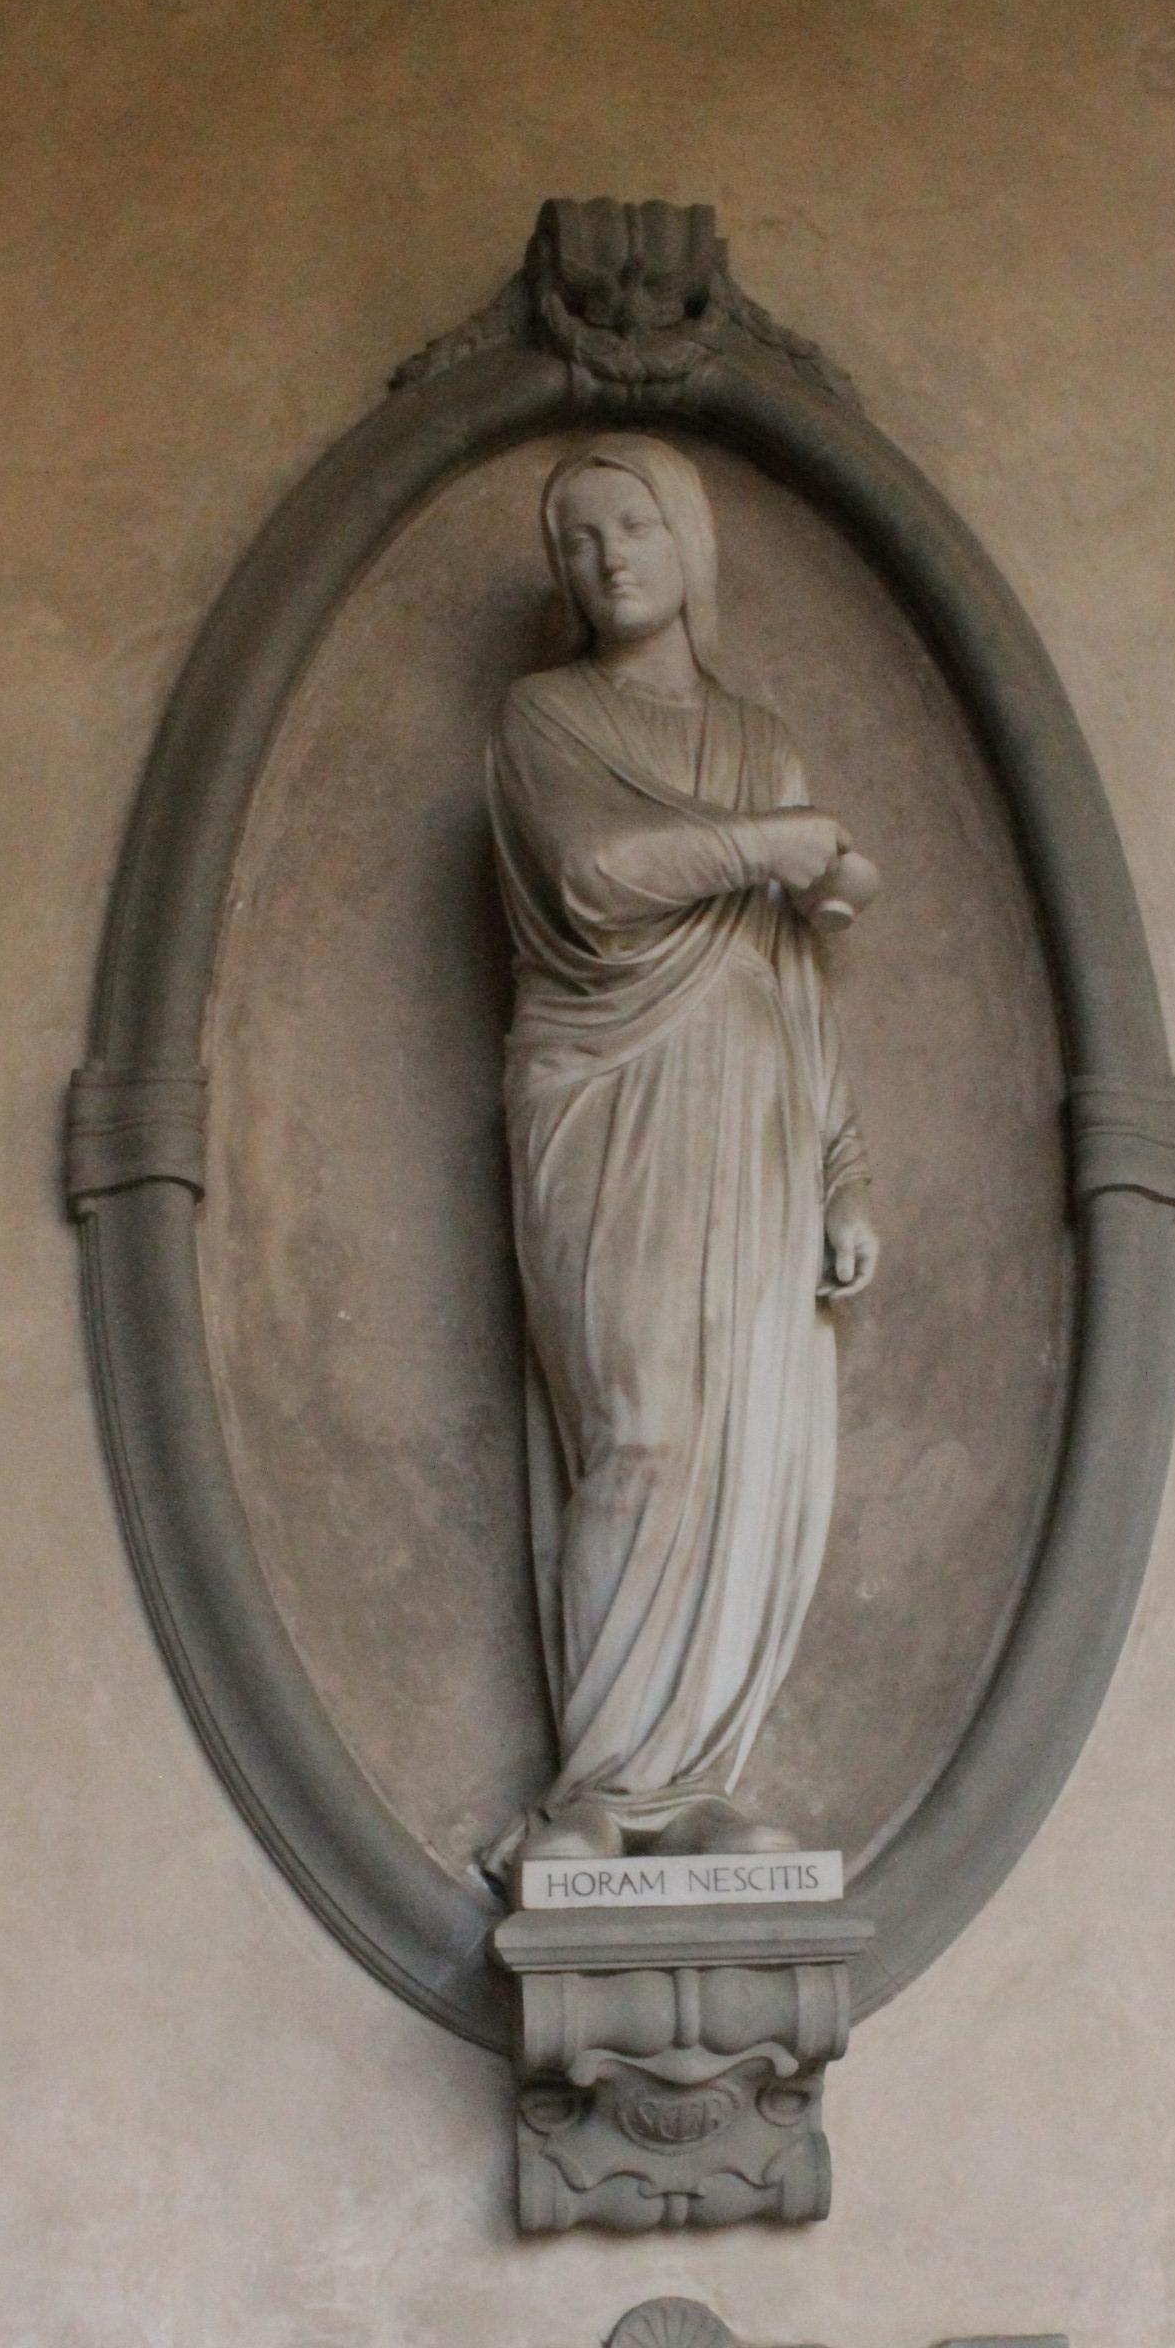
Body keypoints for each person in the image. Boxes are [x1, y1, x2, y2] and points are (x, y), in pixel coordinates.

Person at [486, 434, 879, 1871]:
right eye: (578, 541)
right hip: (606, 1093)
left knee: (741, 1442)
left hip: (750, 1106)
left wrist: (840, 1172)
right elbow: (593, 876)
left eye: (633, 528)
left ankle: (695, 1779)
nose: (606, 561)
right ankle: (600, 1779)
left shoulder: (754, 737)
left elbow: (795, 983)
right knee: (641, 1420)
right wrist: (774, 843)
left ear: (688, 544)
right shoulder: (542, 719)